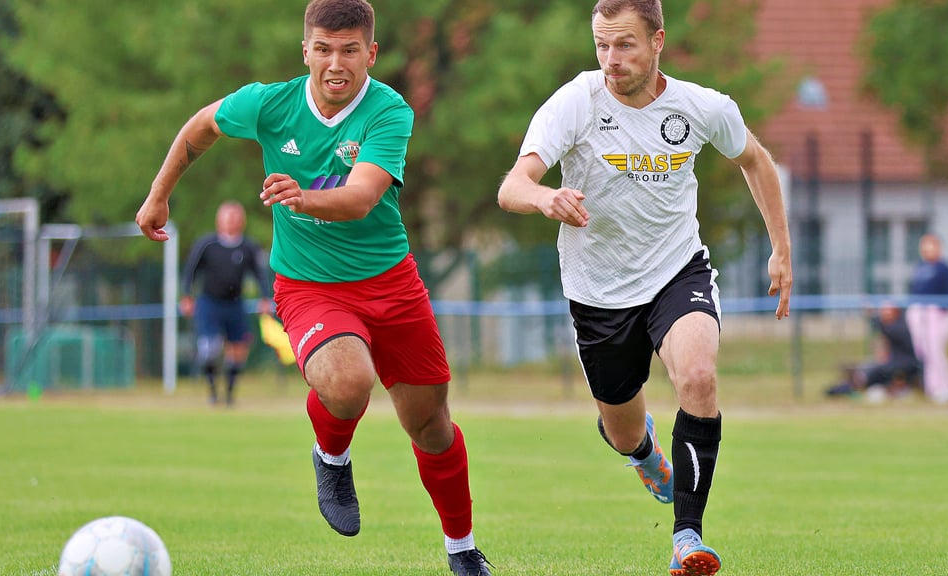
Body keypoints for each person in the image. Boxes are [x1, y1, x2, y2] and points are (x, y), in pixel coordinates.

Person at [134, 1, 491, 573]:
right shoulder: (268, 103)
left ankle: (462, 548)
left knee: (431, 425)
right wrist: (159, 194)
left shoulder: (388, 110)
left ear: (371, 54)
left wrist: (303, 197)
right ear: (306, 51)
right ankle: (332, 455)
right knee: (348, 383)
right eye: (323, 49)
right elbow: (201, 126)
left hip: (393, 284)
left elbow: (362, 197)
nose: (335, 63)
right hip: (310, 287)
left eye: (350, 50)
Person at [496, 1, 793, 574]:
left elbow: (756, 160)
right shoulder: (576, 102)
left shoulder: (702, 107)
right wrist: (545, 198)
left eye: (625, 44)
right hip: (598, 292)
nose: (611, 59)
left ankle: (687, 537)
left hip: (676, 271)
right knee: (622, 430)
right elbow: (514, 186)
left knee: (698, 377)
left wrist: (780, 248)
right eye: (602, 45)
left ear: (658, 41)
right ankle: (642, 451)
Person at [180, 201, 273, 406]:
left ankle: (230, 394)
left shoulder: (249, 247)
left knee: (238, 350)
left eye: (235, 217)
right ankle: (213, 392)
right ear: (218, 220)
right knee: (210, 349)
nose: (231, 221)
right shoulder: (206, 244)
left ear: (242, 221)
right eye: (227, 217)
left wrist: (265, 298)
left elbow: (260, 275)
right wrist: (186, 296)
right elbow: (190, 271)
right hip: (209, 303)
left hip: (235, 304)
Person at [826, 303, 922, 400]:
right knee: (869, 367)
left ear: (896, 313)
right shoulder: (893, 326)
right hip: (894, 363)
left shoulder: (899, 327)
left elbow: (883, 327)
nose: (884, 315)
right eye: (883, 312)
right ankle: (846, 386)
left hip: (905, 364)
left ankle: (852, 386)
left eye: (887, 312)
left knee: (875, 370)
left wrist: (872, 315)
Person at [906, 233, 948, 403]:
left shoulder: (943, 269)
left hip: (937, 314)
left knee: (935, 351)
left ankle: (944, 387)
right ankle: (931, 387)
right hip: (920, 313)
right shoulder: (920, 267)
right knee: (925, 353)